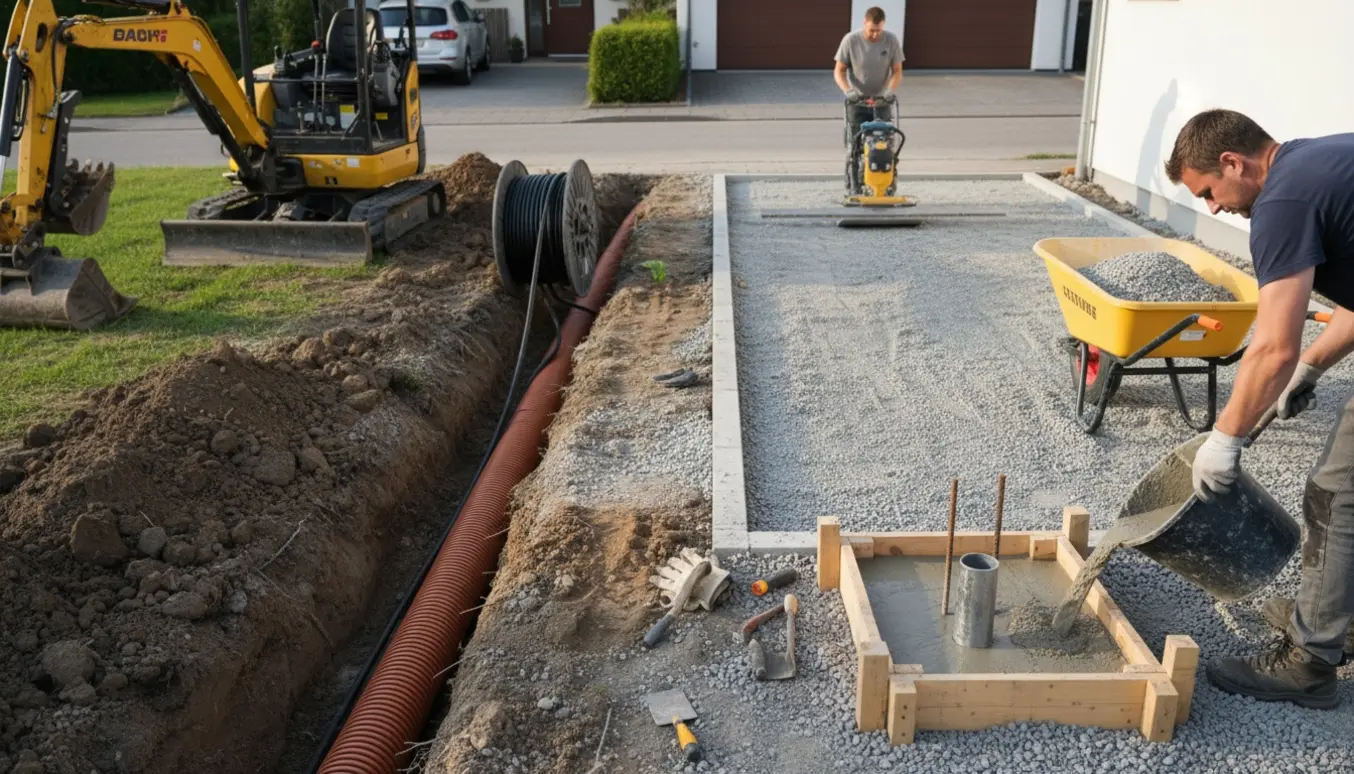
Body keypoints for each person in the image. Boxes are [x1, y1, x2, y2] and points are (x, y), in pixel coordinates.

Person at [1165, 108, 1354, 710]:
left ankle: (1311, 661)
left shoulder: (1281, 204)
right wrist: (1315, 366)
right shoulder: (1323, 161)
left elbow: (1272, 345)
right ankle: (1337, 614)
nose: (1215, 208)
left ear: (1232, 162)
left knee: (1338, 489)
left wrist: (1225, 438)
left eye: (1209, 193)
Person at [834, 7, 904, 152]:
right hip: (857, 100)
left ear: (883, 24)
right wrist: (848, 91)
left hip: (882, 100)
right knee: (856, 145)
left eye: (878, 30)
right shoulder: (850, 41)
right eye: (872, 30)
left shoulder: (891, 40)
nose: (875, 34)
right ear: (864, 22)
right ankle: (855, 170)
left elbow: (897, 71)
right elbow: (839, 71)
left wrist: (890, 90)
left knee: (883, 144)